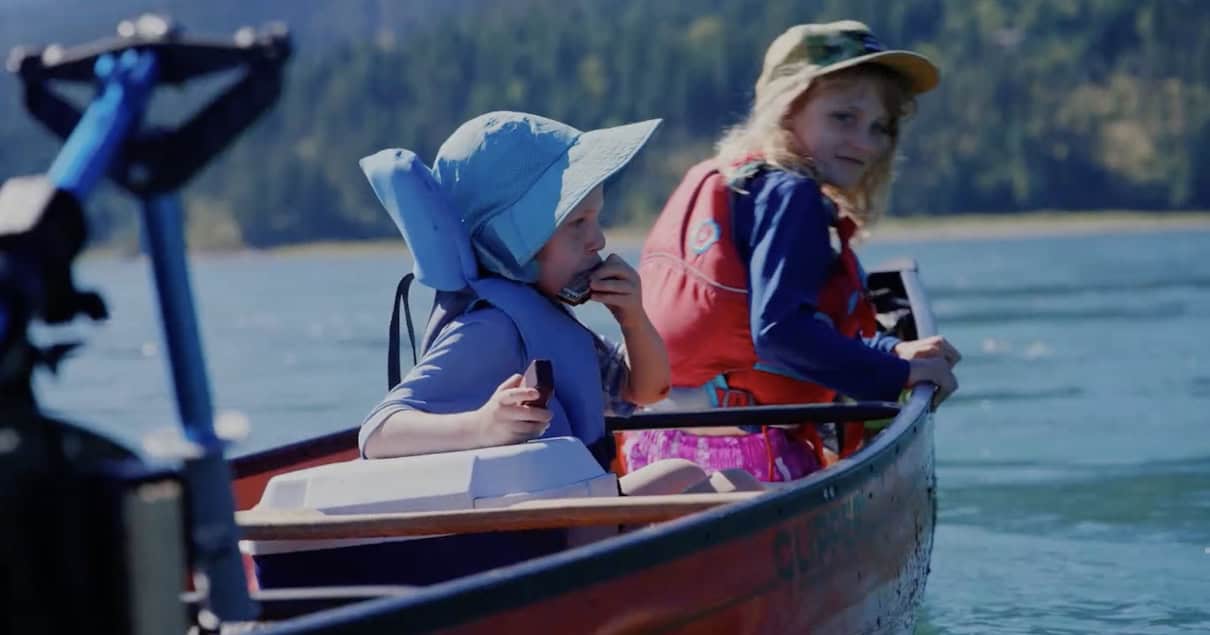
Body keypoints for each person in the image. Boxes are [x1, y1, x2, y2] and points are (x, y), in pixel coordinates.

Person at [622, 21, 961, 483]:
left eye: (880, 127)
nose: (865, 143)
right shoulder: (792, 196)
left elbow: (787, 323)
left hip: (656, 444)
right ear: (785, 110)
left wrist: (891, 350)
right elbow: (780, 334)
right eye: (843, 118)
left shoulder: (731, 179)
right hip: (748, 453)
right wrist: (897, 374)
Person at [358, 111, 760, 495]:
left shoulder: (545, 318)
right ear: (513, 243)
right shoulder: (489, 329)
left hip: (578, 509)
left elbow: (647, 390)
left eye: (596, 220)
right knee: (716, 482)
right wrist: (483, 426)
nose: (598, 240)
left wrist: (633, 320)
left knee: (701, 476)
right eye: (577, 223)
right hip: (544, 524)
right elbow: (377, 433)